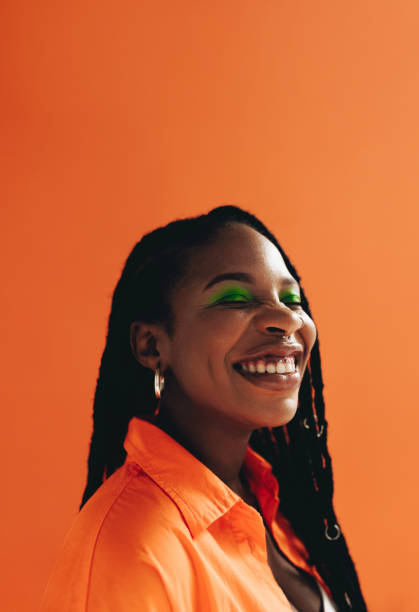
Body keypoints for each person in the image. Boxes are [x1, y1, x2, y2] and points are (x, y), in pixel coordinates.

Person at [40, 206, 368, 611]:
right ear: (151, 346)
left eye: (291, 298)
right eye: (233, 298)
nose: (284, 318)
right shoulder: (131, 549)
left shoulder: (271, 501)